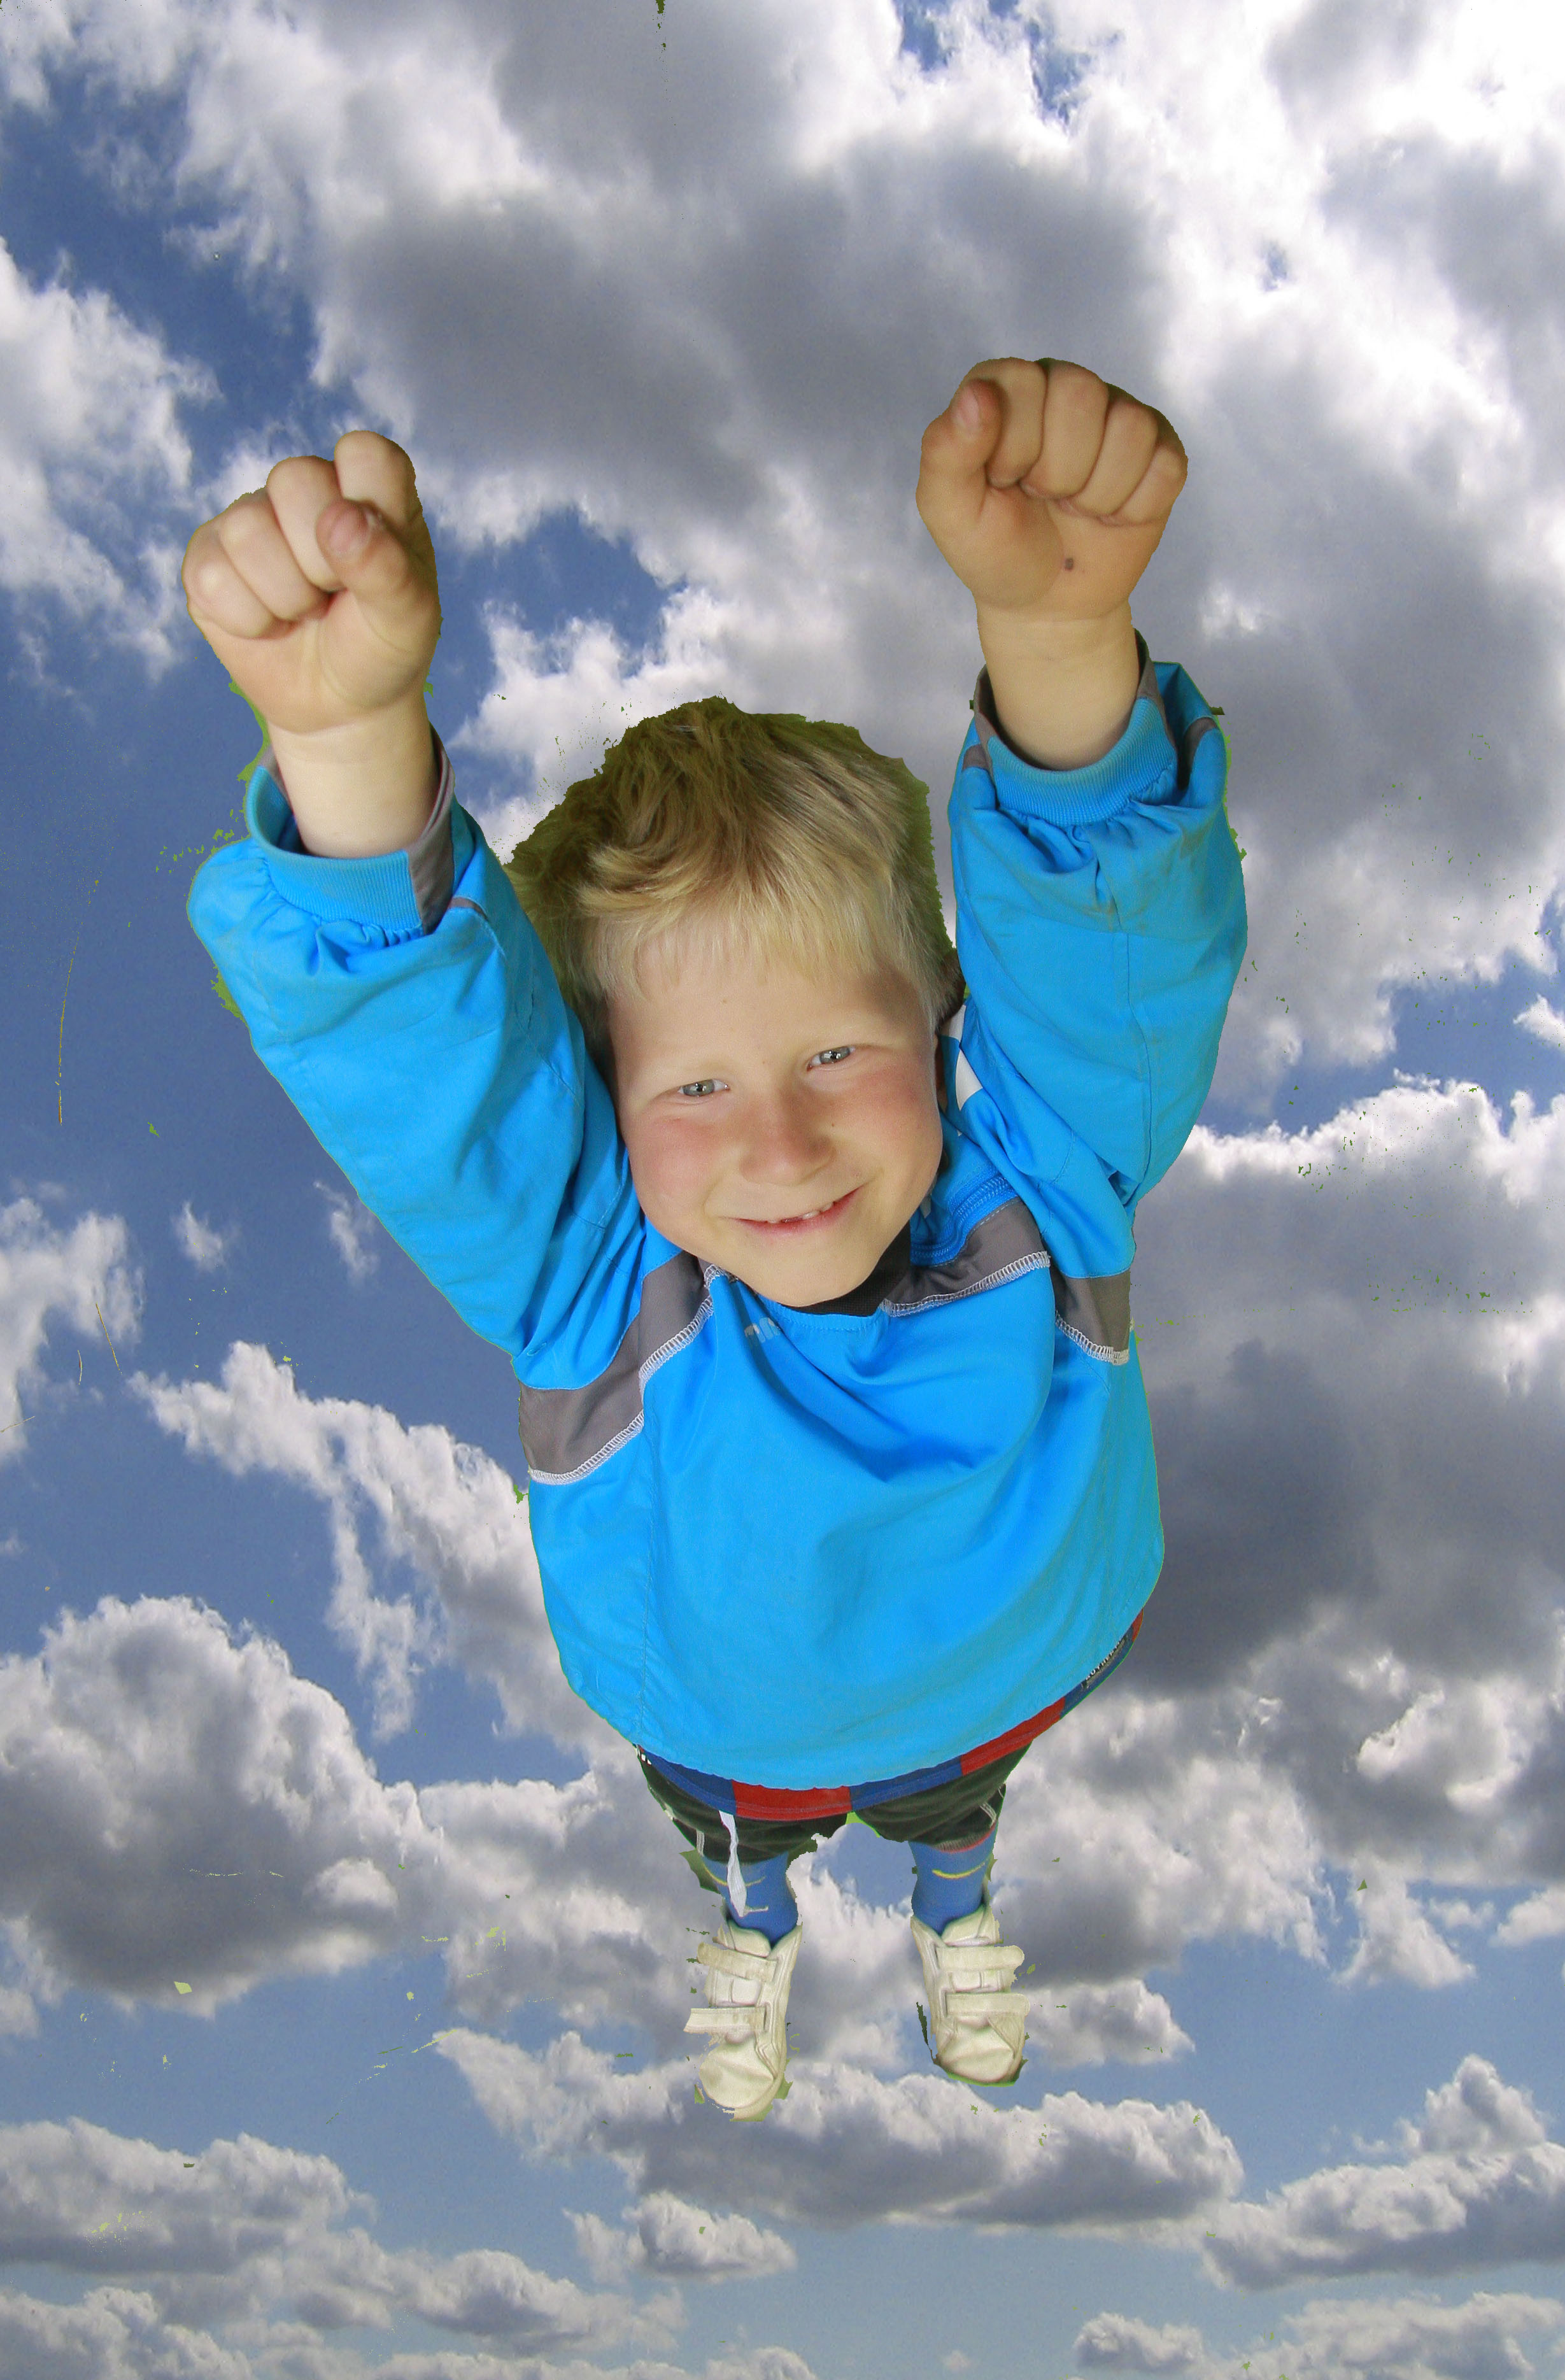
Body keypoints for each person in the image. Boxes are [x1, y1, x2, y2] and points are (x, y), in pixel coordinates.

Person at [181, 358, 1246, 2123]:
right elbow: (441, 1078)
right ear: (604, 1108)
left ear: (943, 1027)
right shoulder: (591, 1272)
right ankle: (754, 1939)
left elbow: (1106, 941)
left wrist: (1062, 635)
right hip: (729, 1733)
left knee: (954, 1806)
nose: (781, 1146)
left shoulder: (1046, 1175)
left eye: (836, 1054)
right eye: (693, 1087)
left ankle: (955, 1915)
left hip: (1001, 1671)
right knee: (747, 1843)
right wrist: (348, 741)